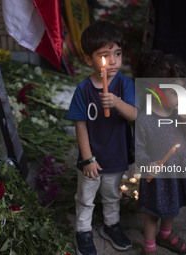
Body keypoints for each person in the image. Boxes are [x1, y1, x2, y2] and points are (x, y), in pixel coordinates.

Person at [66, 21, 137, 255]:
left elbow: (135, 115)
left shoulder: (125, 84)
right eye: (104, 55)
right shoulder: (84, 89)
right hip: (92, 156)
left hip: (116, 154)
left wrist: (117, 103)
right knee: (86, 197)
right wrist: (87, 158)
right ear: (89, 60)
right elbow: (80, 124)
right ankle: (83, 230)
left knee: (112, 194)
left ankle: (111, 224)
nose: (113, 61)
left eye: (117, 53)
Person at [136, 51, 186, 255]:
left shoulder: (182, 112)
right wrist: (147, 164)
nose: (182, 97)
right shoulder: (144, 119)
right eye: (176, 93)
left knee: (173, 204)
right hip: (158, 177)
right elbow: (137, 149)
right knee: (153, 214)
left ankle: (165, 235)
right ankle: (149, 247)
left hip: (180, 169)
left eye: (184, 92)